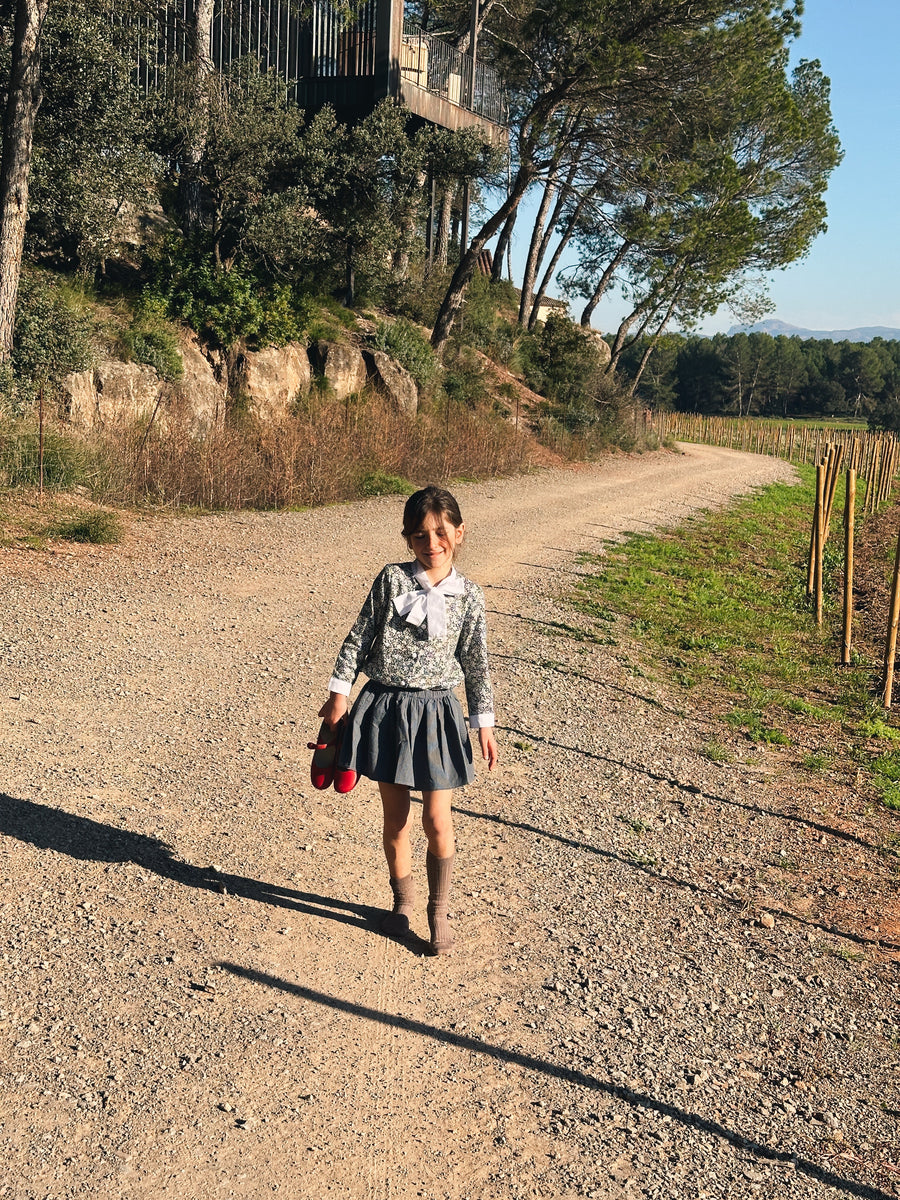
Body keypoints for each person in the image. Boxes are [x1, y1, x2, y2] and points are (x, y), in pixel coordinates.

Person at [317, 485, 498, 955]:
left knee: (437, 821)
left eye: (440, 533)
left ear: (459, 534)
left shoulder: (470, 597)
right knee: (395, 820)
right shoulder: (391, 581)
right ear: (408, 539)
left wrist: (484, 721)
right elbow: (357, 638)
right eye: (420, 535)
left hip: (438, 714)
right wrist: (339, 695)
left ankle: (438, 910)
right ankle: (402, 902)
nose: (431, 543)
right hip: (386, 711)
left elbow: (476, 662)